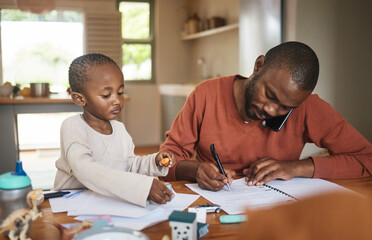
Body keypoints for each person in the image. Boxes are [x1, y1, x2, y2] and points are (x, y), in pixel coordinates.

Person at [160, 41, 372, 191]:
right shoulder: (206, 95)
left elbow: (367, 159)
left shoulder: (307, 107)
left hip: (278, 212)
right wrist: (195, 170)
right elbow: (164, 161)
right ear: (258, 65)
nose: (271, 110)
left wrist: (295, 167)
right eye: (269, 95)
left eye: (285, 108)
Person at [54, 53, 175, 207]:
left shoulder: (120, 129)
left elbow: (129, 164)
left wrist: (154, 161)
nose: (117, 100)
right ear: (79, 99)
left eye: (120, 92)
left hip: (105, 202)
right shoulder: (73, 126)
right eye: (106, 95)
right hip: (70, 203)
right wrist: (141, 186)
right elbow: (86, 170)